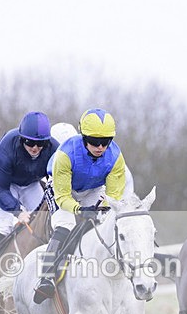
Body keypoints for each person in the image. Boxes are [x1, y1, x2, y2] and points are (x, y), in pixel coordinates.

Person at [0, 112, 59, 303]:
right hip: (5, 186)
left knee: (51, 221)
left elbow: (58, 180)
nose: (35, 148)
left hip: (32, 184)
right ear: (21, 138)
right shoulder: (7, 147)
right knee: (3, 226)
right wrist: (18, 211)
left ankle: (51, 270)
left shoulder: (55, 148)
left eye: (40, 144)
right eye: (30, 143)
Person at [33, 108, 126, 303]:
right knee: (65, 224)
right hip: (62, 190)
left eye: (106, 141)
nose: (100, 147)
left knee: (104, 222)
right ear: (83, 137)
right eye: (94, 141)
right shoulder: (66, 154)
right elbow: (64, 196)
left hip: (93, 189)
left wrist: (102, 207)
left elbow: (114, 195)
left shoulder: (116, 156)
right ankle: (46, 276)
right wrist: (80, 210)